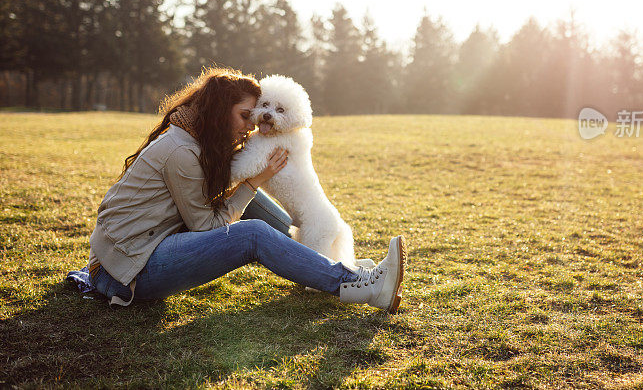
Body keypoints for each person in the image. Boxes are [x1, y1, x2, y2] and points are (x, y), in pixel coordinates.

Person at [72, 68, 405, 312]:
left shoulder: (196, 141)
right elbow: (206, 226)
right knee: (252, 234)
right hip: (126, 272)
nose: (252, 124)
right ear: (220, 113)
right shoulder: (181, 152)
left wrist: (251, 186)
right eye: (245, 115)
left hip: (135, 252)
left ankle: (329, 264)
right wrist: (254, 180)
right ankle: (362, 287)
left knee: (253, 202)